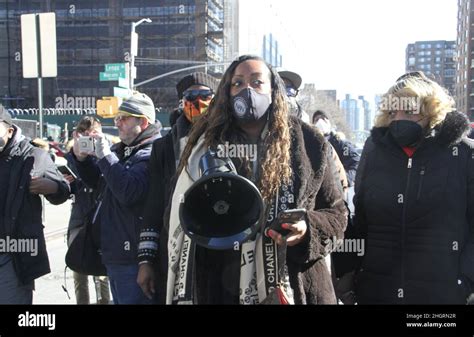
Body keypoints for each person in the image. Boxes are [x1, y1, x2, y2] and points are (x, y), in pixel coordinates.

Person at [159, 55, 347, 304]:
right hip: (221, 283)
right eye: (237, 83)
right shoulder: (202, 145)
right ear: (227, 91)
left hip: (292, 284)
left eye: (257, 82)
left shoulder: (310, 143)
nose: (246, 89)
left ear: (273, 89)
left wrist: (308, 228)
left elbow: (337, 214)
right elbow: (175, 213)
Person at [353, 71, 474, 304]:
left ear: (431, 110)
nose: (399, 119)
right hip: (377, 293)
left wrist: (465, 282)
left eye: (409, 111)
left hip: (441, 298)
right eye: (392, 112)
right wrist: (352, 277)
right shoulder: (375, 153)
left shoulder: (465, 155)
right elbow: (361, 222)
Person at [137, 72, 219, 303]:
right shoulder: (163, 147)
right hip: (173, 249)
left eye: (205, 95)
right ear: (181, 102)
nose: (197, 102)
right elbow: (154, 205)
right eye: (190, 96)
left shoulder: (231, 139)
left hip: (221, 249)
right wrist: (146, 260)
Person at [71, 92, 160, 304]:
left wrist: (105, 156)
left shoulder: (152, 152)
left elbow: (128, 192)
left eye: (124, 118)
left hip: (134, 258)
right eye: (117, 118)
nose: (118, 123)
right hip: (116, 254)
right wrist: (82, 160)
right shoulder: (123, 150)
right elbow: (101, 185)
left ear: (144, 122)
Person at [0, 106, 70, 304]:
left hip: (14, 255)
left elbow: (63, 190)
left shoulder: (34, 156)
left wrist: (52, 187)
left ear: (9, 130)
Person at [64, 116, 110, 305]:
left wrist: (99, 151)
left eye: (91, 134)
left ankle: (104, 302)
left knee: (101, 273)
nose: (87, 138)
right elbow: (63, 188)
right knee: (78, 269)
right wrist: (66, 183)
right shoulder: (71, 156)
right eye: (83, 133)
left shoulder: (104, 152)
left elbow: (105, 179)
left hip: (99, 216)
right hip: (79, 216)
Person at [312, 110, 360, 187]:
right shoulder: (311, 145)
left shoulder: (341, 144)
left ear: (329, 122)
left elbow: (355, 163)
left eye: (323, 119)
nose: (320, 122)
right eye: (316, 120)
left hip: (338, 190)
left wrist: (345, 179)